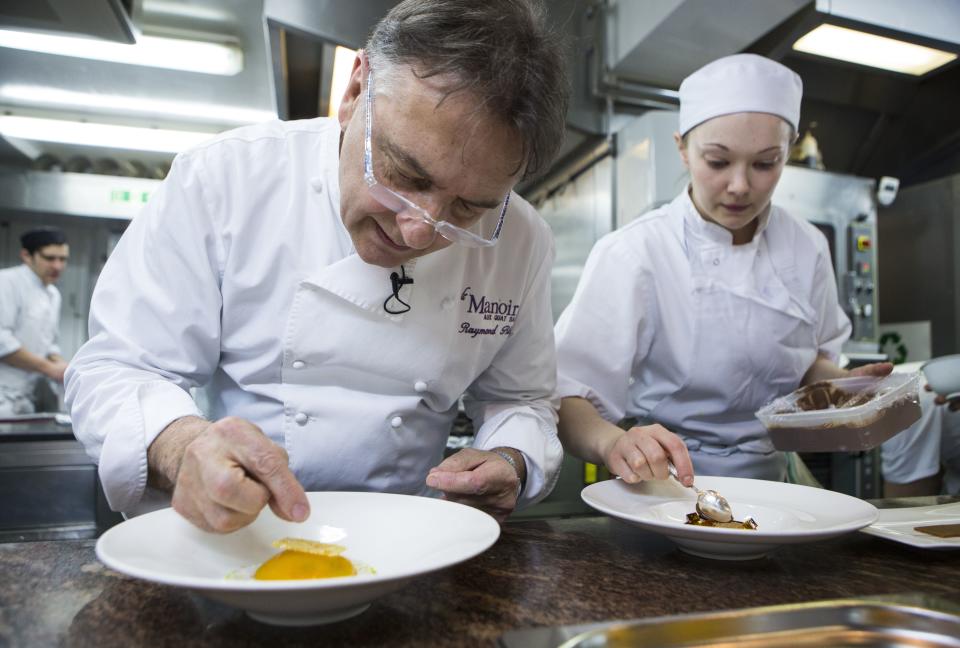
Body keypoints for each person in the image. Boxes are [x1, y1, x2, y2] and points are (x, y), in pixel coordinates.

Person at [65, 0, 569, 531]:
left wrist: (511, 456)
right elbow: (117, 369)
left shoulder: (522, 238)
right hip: (239, 538)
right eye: (405, 175)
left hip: (412, 540)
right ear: (355, 93)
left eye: (468, 208)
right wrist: (182, 444)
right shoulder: (227, 178)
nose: (419, 230)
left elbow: (522, 400)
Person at [554, 54, 891, 487]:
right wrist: (612, 443)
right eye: (717, 162)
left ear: (787, 155)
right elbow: (567, 395)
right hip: (666, 481)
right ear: (683, 149)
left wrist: (847, 385)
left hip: (775, 481)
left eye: (765, 163)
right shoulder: (636, 251)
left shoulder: (806, 246)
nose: (739, 186)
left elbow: (809, 366)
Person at [0, 227, 70, 416]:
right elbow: (2, 342)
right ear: (27, 255)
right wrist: (49, 369)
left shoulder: (53, 294)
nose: (57, 266)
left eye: (62, 259)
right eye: (49, 258)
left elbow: (49, 345)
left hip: (24, 399)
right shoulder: (6, 282)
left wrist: (66, 368)